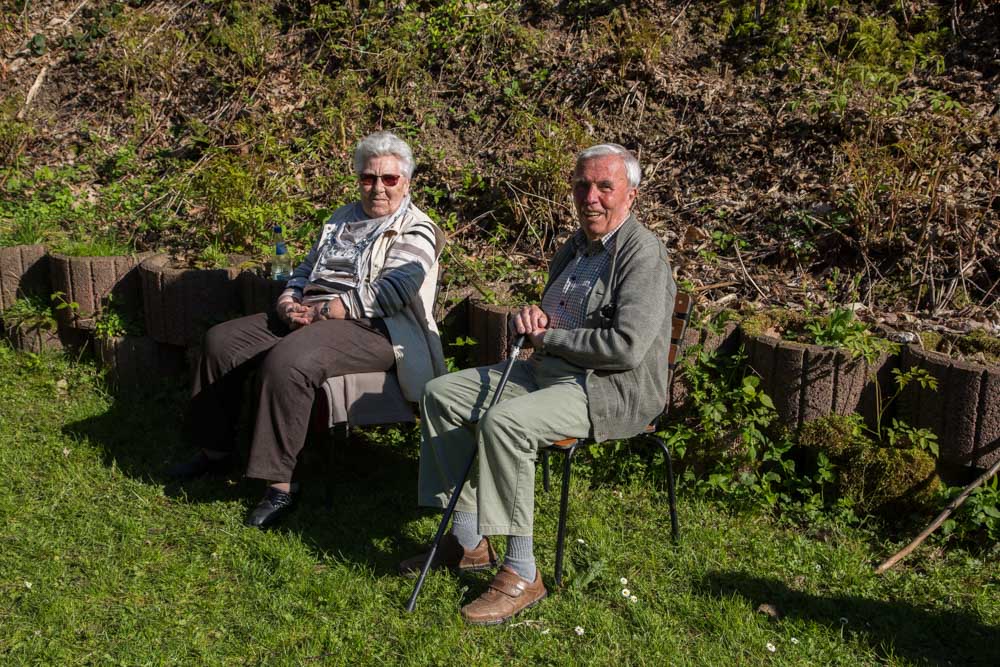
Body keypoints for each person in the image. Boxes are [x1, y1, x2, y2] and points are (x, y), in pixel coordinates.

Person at [400, 143, 676, 625]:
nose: (590, 197)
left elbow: (627, 347)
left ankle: (522, 572)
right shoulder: (575, 247)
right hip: (547, 372)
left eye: (604, 187)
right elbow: (551, 319)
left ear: (630, 195)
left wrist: (552, 336)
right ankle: (467, 540)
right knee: (441, 394)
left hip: (606, 388)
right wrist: (528, 320)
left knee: (505, 424)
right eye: (581, 185)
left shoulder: (641, 254)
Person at [168, 131, 446, 528]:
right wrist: (288, 300)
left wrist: (329, 311)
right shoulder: (340, 219)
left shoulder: (417, 229)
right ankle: (215, 451)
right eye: (368, 178)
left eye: (389, 179)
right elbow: (305, 269)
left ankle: (280, 486)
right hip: (312, 309)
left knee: (291, 361)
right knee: (221, 341)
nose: (378, 188)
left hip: (375, 328)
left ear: (407, 181)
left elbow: (395, 290)